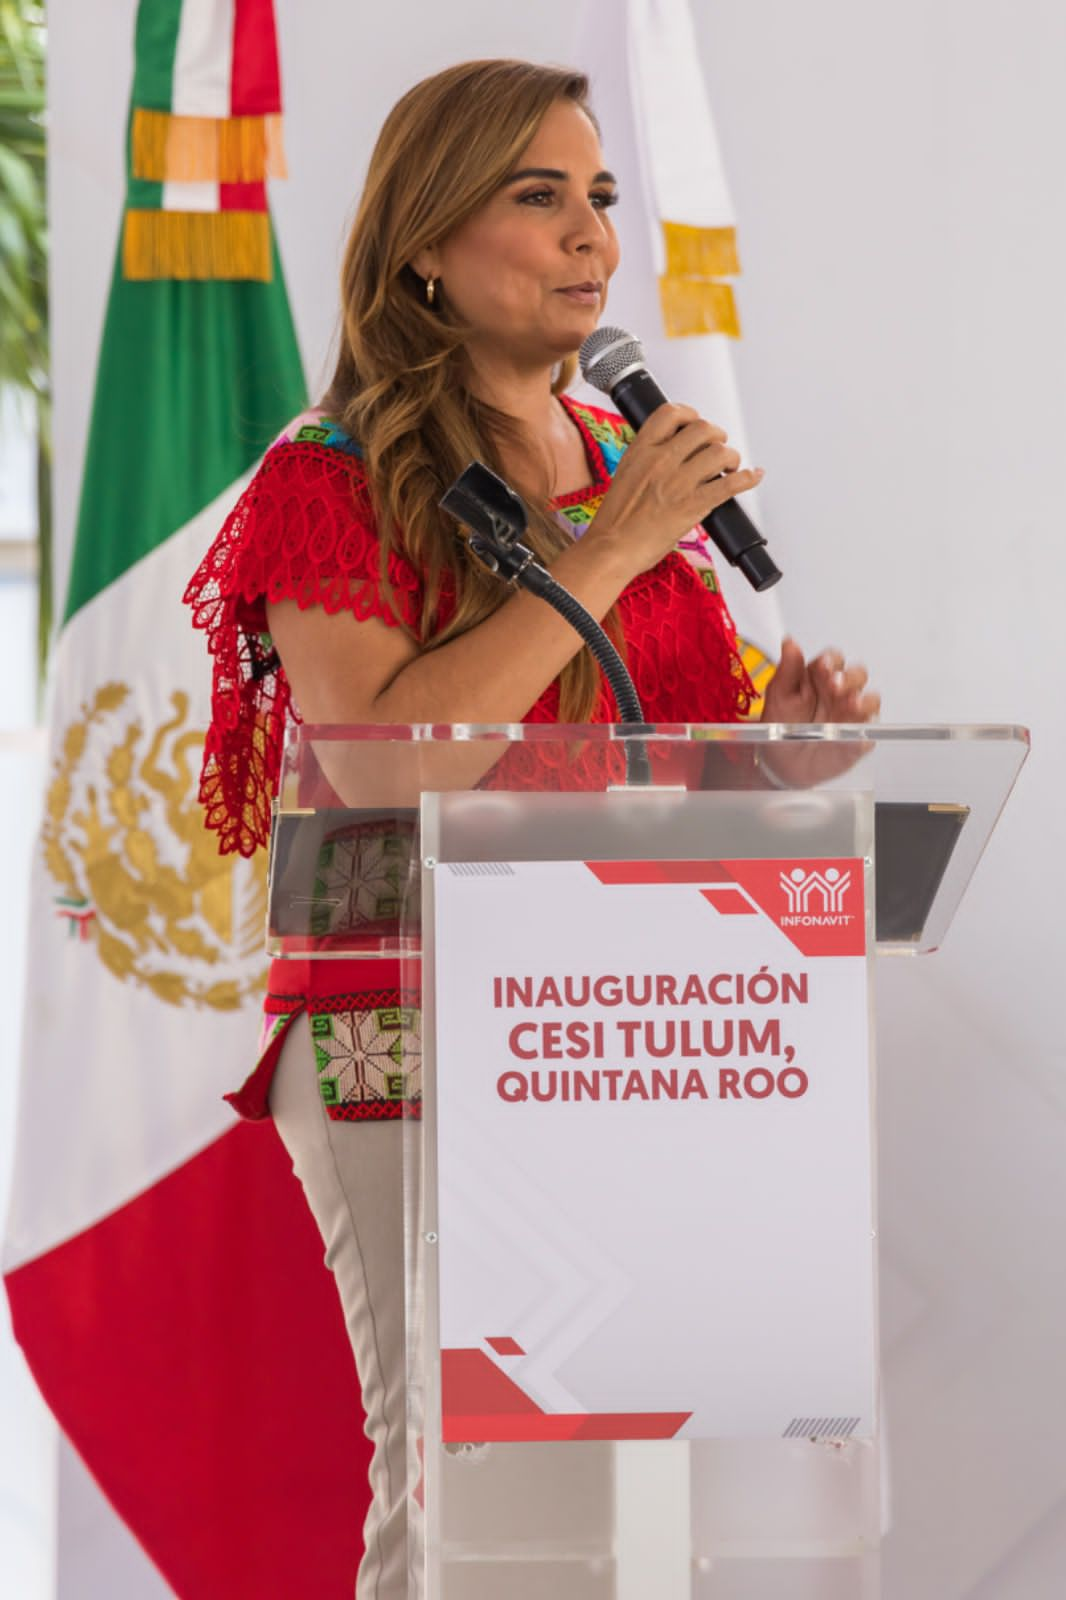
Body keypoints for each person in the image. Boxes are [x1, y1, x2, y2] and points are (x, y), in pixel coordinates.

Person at [185, 57, 879, 1599]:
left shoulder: (612, 457)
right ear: (425, 241)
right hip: (412, 1013)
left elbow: (642, 764)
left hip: (624, 1014)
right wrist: (614, 544)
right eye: (537, 196)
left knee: (609, 1484)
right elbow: (388, 770)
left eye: (601, 199)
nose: (591, 237)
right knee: (463, 1477)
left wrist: (774, 753)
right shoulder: (337, 472)